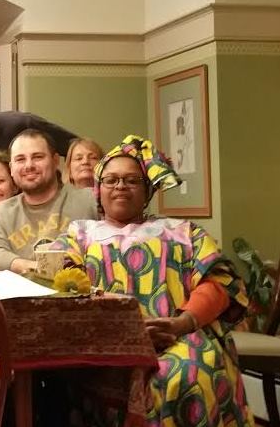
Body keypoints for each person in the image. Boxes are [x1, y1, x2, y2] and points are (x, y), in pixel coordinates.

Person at [51, 135, 253, 425]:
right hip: (107, 343)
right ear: (98, 190)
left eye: (132, 181)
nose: (120, 186)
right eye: (111, 180)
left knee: (187, 372)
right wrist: (124, 332)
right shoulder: (77, 236)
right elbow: (62, 283)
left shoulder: (183, 232)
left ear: (147, 191)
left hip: (182, 335)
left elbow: (220, 281)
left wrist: (182, 322)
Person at [0, 129, 98, 275]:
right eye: (20, 159)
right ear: (11, 169)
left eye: (38, 157)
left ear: (55, 161)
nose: (29, 165)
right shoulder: (4, 212)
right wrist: (30, 266)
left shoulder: (89, 200)